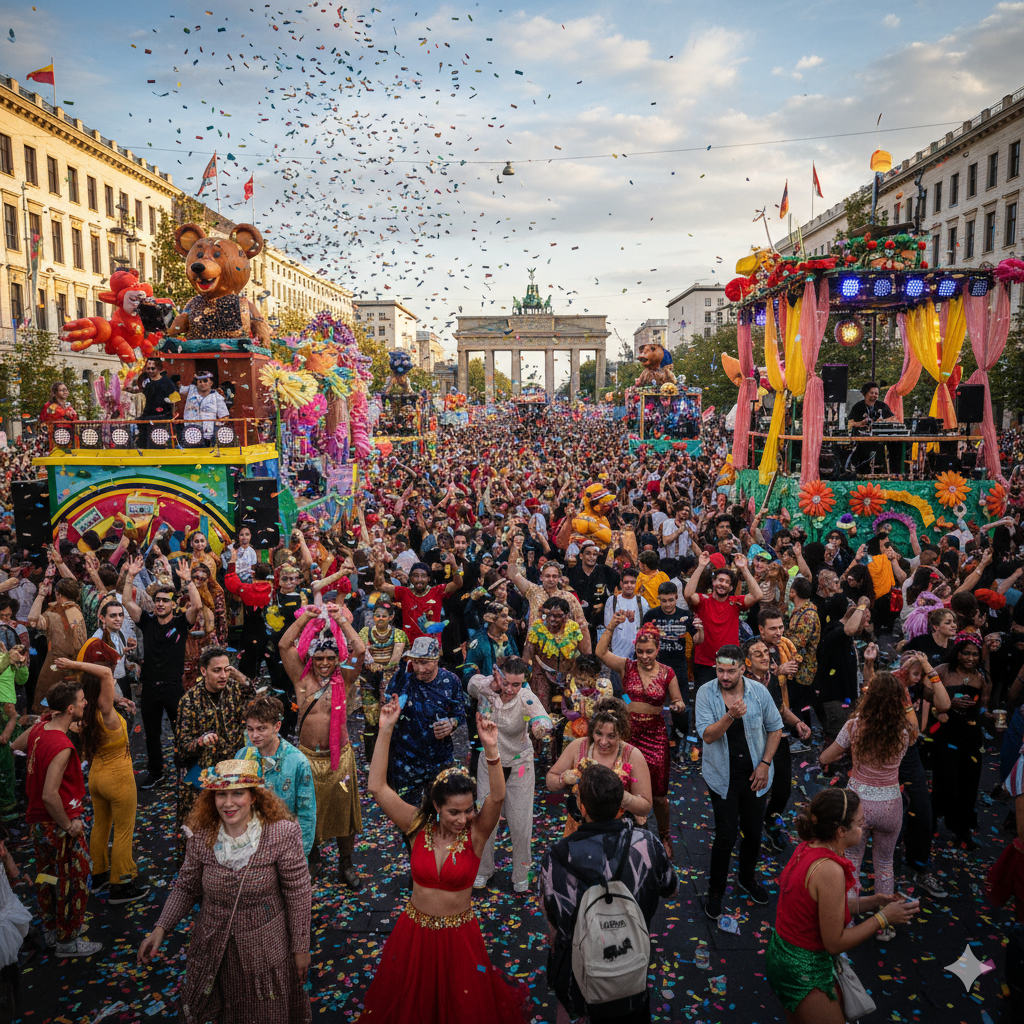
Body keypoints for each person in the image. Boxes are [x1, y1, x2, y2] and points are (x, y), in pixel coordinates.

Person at [359, 694, 528, 1023]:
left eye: (467, 810)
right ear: (436, 806)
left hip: (459, 938)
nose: (462, 819)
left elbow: (496, 795)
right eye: (453, 812)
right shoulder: (416, 826)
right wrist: (385, 730)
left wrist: (491, 751)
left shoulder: (475, 836)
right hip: (414, 934)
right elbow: (377, 787)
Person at [137, 759, 312, 1024]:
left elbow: (298, 892)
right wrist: (160, 928)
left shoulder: (282, 834)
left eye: (237, 793)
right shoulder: (202, 835)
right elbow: (186, 885)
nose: (228, 803)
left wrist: (301, 948)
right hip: (213, 950)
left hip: (265, 954)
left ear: (253, 796)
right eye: (221, 794)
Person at [766, 788, 920, 1024]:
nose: (863, 827)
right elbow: (835, 943)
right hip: (804, 970)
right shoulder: (830, 870)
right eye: (860, 823)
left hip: (783, 955)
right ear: (841, 831)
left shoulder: (809, 846)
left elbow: (824, 906)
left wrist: (876, 901)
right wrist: (883, 919)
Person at [541, 763, 677, 1024]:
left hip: (579, 977)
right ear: (621, 807)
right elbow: (670, 890)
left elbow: (554, 922)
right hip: (630, 968)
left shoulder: (557, 856)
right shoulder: (647, 844)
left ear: (581, 809)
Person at [820, 672, 918, 937]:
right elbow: (916, 729)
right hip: (890, 804)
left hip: (858, 804)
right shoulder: (905, 731)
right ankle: (884, 925)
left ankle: (848, 921)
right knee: (885, 864)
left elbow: (826, 756)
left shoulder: (854, 726)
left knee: (851, 861)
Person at [279, 603, 366, 886]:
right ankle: (312, 857)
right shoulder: (301, 680)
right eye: (319, 658)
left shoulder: (346, 678)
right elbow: (283, 645)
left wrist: (340, 620)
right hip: (306, 759)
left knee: (344, 811)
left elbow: (360, 649)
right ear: (311, 659)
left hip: (339, 759)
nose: (325, 663)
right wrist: (306, 617)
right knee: (307, 811)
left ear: (338, 658)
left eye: (330, 657)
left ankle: (346, 863)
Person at [54, 648, 149, 904]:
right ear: (104, 689)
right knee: (123, 831)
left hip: (96, 779)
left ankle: (98, 876)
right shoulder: (106, 714)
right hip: (118, 780)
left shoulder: (84, 715)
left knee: (100, 826)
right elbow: (107, 673)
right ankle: (120, 885)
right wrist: (75, 663)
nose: (114, 682)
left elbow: (104, 685)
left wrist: (119, 701)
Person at [696, 644, 783, 919]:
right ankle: (715, 891)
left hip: (755, 774)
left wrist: (765, 764)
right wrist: (730, 715)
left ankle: (747, 878)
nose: (724, 676)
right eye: (720, 670)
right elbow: (708, 736)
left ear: (742, 668)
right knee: (726, 834)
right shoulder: (705, 693)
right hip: (722, 776)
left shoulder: (758, 692)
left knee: (754, 832)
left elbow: (775, 728)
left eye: (730, 671)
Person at [597, 616, 685, 857]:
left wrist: (677, 705)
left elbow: (678, 700)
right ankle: (624, 833)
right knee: (622, 785)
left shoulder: (667, 672)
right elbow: (600, 651)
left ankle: (664, 835)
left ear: (658, 649)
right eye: (640, 652)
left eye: (649, 651)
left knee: (658, 795)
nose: (644, 656)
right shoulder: (627, 666)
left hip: (655, 736)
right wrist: (612, 625)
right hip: (628, 734)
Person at [24, 678, 101, 956]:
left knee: (47, 877)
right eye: (82, 700)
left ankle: (50, 930)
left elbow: (17, 745)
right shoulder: (63, 746)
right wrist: (69, 826)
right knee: (75, 880)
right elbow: (49, 794)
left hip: (36, 824)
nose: (86, 703)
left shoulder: (40, 729)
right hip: (57, 824)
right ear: (70, 708)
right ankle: (68, 941)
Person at [467, 657, 552, 892]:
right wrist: (489, 684)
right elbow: (471, 683)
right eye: (507, 683)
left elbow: (541, 716)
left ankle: (521, 872)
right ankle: (483, 869)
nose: (511, 689)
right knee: (486, 819)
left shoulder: (525, 696)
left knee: (520, 820)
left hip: (519, 765)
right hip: (489, 762)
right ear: (499, 676)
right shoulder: (487, 688)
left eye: (517, 684)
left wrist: (540, 726)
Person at [122, 555, 201, 788]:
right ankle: (156, 772)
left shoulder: (180, 623)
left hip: (173, 687)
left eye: (165, 600)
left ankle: (186, 769)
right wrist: (130, 576)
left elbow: (196, 605)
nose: (160, 604)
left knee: (182, 733)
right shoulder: (146, 621)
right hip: (150, 689)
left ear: (173, 604)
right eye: (157, 600)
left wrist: (188, 581)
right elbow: (127, 602)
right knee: (152, 735)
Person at [174, 647, 255, 853]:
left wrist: (238, 675)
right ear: (203, 672)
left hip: (231, 771)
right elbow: (182, 748)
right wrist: (201, 742)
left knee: (233, 826)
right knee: (198, 830)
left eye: (226, 670)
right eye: (217, 670)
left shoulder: (234, 691)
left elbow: (251, 694)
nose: (223, 676)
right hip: (202, 775)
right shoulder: (189, 702)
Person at [741, 638, 812, 852]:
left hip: (777, 739)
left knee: (783, 790)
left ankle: (769, 822)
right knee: (753, 791)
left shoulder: (772, 679)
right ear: (747, 661)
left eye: (766, 652)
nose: (765, 657)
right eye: (758, 654)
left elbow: (780, 709)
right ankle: (748, 829)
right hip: (752, 744)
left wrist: (798, 722)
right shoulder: (740, 683)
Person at [545, 698, 654, 837]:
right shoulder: (578, 746)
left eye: (611, 736)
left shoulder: (633, 755)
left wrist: (622, 797)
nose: (603, 742)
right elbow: (550, 781)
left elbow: (645, 807)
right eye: (598, 733)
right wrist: (564, 778)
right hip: (579, 830)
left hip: (618, 834)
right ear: (592, 729)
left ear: (622, 732)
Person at [236, 694, 317, 858]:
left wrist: (300, 854)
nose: (255, 735)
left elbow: (307, 813)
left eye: (261, 729)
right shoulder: (242, 756)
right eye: (250, 729)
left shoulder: (297, 762)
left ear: (277, 726)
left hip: (285, 848)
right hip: (250, 848)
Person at [932, 634, 990, 849]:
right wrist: (948, 703)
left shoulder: (981, 677)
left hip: (971, 736)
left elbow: (984, 705)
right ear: (957, 653)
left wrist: (988, 714)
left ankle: (961, 829)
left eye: (975, 654)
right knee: (945, 779)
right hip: (946, 732)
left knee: (969, 781)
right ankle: (932, 822)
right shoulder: (942, 671)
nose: (970, 658)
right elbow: (927, 696)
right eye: (966, 653)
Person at [685, 552, 763, 686]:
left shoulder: (736, 602)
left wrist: (744, 568)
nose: (723, 584)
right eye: (720, 580)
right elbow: (688, 594)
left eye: (727, 582)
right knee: (704, 702)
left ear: (731, 587)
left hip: (730, 661)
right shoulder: (703, 600)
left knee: (730, 701)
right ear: (713, 582)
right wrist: (701, 566)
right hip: (705, 663)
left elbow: (757, 595)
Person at [26, 575, 88, 714]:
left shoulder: (53, 613)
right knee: (69, 706)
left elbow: (32, 619)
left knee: (48, 705)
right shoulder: (77, 612)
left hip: (55, 667)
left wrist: (41, 595)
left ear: (57, 594)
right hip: (76, 667)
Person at [373, 549, 463, 643]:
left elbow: (458, 584)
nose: (419, 579)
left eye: (423, 576)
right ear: (411, 578)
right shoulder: (404, 592)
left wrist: (453, 565)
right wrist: (379, 567)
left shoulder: (437, 591)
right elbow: (380, 585)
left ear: (428, 578)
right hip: (410, 650)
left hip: (431, 648)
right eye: (416, 576)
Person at [358, 601, 408, 764]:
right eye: (377, 615)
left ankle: (391, 757)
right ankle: (370, 759)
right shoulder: (365, 632)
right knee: (371, 720)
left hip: (390, 679)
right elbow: (361, 651)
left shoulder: (398, 634)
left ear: (391, 617)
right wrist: (372, 664)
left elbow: (396, 657)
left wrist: (385, 670)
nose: (380, 618)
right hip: (369, 679)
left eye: (384, 616)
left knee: (390, 716)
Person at [523, 595, 586, 719]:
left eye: (557, 615)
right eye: (548, 615)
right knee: (541, 711)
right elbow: (528, 653)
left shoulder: (573, 627)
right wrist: (527, 674)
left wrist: (573, 673)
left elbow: (581, 653)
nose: (552, 619)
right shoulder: (537, 626)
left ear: (567, 615)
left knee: (571, 711)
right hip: (542, 674)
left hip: (568, 675)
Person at [565, 538, 619, 646]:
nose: (591, 557)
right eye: (588, 554)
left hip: (600, 622)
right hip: (578, 622)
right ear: (581, 556)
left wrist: (606, 603)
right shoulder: (572, 572)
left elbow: (618, 589)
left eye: (594, 554)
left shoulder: (605, 571)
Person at [0, 644, 27, 820]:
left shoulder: (5, 655)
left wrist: (21, 665)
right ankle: (5, 808)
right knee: (4, 759)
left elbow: (22, 680)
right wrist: (7, 658)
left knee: (10, 756)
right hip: (4, 711)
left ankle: (8, 803)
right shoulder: (4, 658)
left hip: (9, 710)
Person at [128, 356, 178, 445]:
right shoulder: (146, 380)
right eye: (148, 369)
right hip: (147, 416)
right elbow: (139, 389)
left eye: (153, 368)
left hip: (163, 417)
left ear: (159, 368)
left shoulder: (166, 381)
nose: (150, 371)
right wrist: (125, 389)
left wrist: (173, 413)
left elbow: (175, 398)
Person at [849, 381, 896, 474]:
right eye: (871, 393)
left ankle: (884, 472)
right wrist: (860, 423)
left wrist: (883, 421)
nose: (874, 395)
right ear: (864, 394)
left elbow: (894, 419)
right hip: (862, 439)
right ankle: (862, 472)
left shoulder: (882, 406)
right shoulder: (858, 406)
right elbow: (850, 423)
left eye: (876, 393)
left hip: (879, 438)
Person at [180, 368, 229, 442]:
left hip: (209, 435)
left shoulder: (217, 397)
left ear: (211, 383)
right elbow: (175, 389)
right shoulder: (190, 389)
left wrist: (217, 424)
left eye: (205, 381)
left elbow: (225, 417)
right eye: (200, 381)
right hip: (190, 433)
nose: (202, 383)